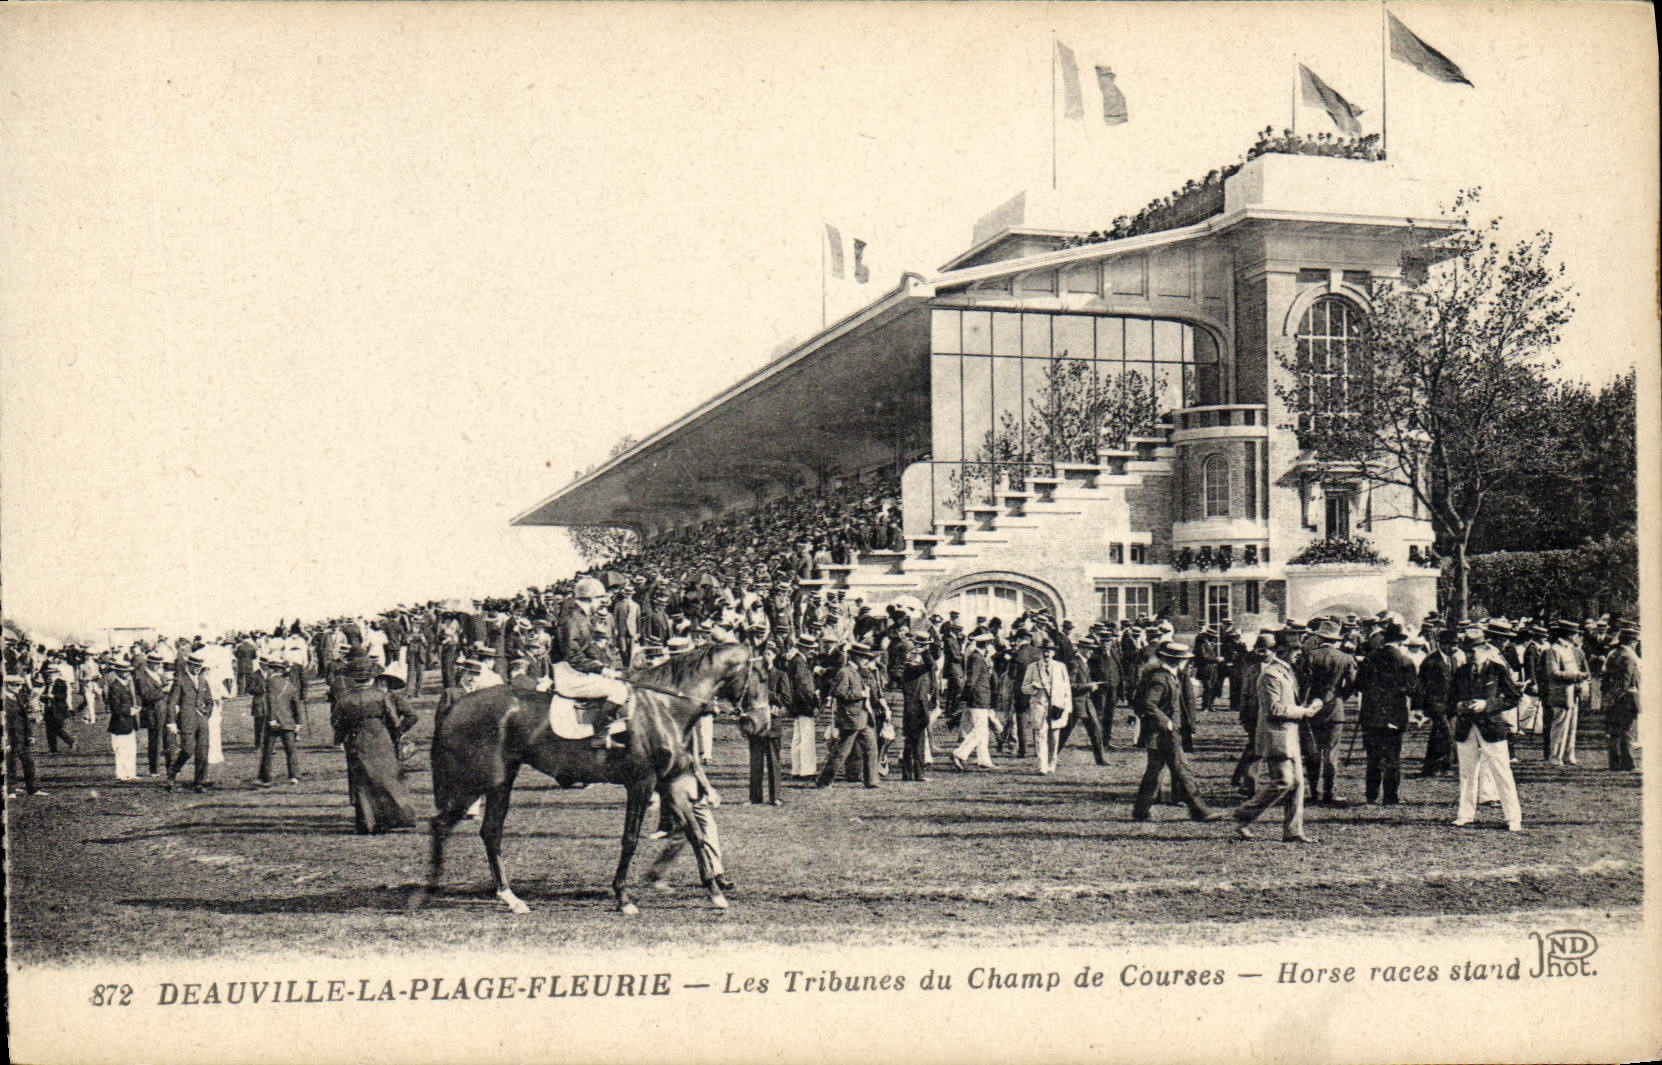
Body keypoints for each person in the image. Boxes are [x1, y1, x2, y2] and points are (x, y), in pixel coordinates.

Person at [1233, 632, 1319, 842]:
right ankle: (1242, 815)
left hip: (1289, 736)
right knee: (1283, 782)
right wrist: (1303, 711)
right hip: (1276, 737)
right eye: (1295, 650)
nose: (1299, 654)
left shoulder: (1286, 671)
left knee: (1297, 785)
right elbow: (1273, 709)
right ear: (1283, 651)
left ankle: (1293, 831)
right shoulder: (1271, 675)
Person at [1131, 642, 1225, 822]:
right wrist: (1165, 721)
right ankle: (1200, 810)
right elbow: (1149, 704)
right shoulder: (1161, 679)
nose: (1187, 663)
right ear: (1176, 661)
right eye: (1184, 660)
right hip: (1164, 734)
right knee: (1182, 770)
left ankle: (1141, 810)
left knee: (1154, 772)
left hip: (1162, 734)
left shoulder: (1168, 676)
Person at [330, 656, 417, 834]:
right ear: (372, 678)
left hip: (356, 740)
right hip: (381, 739)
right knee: (387, 779)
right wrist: (397, 733)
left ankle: (366, 823)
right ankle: (394, 818)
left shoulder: (344, 699)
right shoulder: (381, 696)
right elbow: (393, 720)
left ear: (352, 678)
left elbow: (338, 723)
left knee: (361, 782)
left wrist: (339, 740)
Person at [1450, 626, 1523, 832]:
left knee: (1501, 771)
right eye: (1467, 651)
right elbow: (1450, 698)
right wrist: (1459, 706)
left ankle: (1513, 818)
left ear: (1485, 648)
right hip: (1466, 727)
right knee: (1467, 773)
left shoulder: (1498, 670)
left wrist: (1487, 705)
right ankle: (1465, 814)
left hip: (1491, 727)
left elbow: (1513, 697)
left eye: (1474, 650)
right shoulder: (1460, 672)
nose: (1471, 655)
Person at [552, 577, 633, 750]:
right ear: (590, 598)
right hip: (568, 675)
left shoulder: (581, 616)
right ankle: (600, 735)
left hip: (574, 671)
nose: (602, 603)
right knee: (618, 690)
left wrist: (610, 668)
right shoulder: (573, 619)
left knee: (618, 683)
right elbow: (573, 656)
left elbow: (589, 648)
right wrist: (601, 669)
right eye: (599, 599)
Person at [647, 761, 735, 895]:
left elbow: (696, 766)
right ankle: (656, 874)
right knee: (681, 836)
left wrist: (707, 789)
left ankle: (716, 874)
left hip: (696, 794)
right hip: (679, 794)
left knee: (709, 832)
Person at [1298, 618, 1358, 806]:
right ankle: (1329, 791)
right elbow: (1353, 684)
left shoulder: (1310, 656)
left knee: (1313, 752)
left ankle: (1314, 790)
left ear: (1320, 637)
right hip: (1335, 709)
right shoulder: (1346, 658)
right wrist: (1340, 696)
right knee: (1331, 752)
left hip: (1312, 708)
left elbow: (1302, 683)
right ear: (1336, 639)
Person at [1357, 620, 1416, 805]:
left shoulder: (1369, 659)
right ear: (1401, 641)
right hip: (1395, 715)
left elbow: (1358, 684)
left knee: (1373, 757)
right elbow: (1413, 688)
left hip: (1371, 715)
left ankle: (1371, 795)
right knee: (1392, 757)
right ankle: (1390, 796)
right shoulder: (1405, 661)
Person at [815, 644, 878, 789]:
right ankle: (824, 781)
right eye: (864, 658)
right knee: (841, 753)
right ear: (856, 657)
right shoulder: (845, 672)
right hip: (851, 719)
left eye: (867, 658)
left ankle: (871, 781)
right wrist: (860, 695)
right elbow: (837, 693)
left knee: (871, 747)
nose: (866, 661)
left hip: (861, 717)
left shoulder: (857, 671)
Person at [164, 652, 216, 793]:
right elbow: (171, 703)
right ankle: (172, 773)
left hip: (202, 721)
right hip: (187, 720)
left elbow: (210, 700)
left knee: (203, 751)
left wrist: (206, 713)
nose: (198, 668)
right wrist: (172, 722)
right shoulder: (180, 680)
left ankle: (199, 782)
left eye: (200, 666)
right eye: (195, 665)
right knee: (188, 749)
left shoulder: (202, 680)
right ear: (189, 665)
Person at [254, 651, 305, 786]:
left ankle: (265, 777)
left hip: (274, 722)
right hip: (288, 722)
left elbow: (271, 702)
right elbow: (296, 705)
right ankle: (294, 775)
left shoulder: (270, 682)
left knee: (268, 750)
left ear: (272, 669)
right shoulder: (291, 685)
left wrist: (271, 719)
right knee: (290, 749)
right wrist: (298, 723)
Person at [1542, 620, 1589, 766]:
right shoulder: (1553, 650)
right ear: (1569, 634)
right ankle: (1555, 757)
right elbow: (1553, 672)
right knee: (1560, 726)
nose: (1577, 636)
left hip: (1572, 691)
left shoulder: (1569, 649)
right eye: (1575, 633)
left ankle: (1569, 755)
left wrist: (1579, 678)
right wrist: (1575, 676)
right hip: (1560, 692)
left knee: (1572, 726)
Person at [1022, 641, 1071, 775]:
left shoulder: (1060, 667)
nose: (1046, 653)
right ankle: (1042, 765)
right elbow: (1024, 688)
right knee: (1040, 735)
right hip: (1039, 706)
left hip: (1056, 707)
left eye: (1049, 651)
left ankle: (1051, 763)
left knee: (1054, 738)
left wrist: (1067, 707)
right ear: (1040, 652)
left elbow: (1066, 688)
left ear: (1054, 652)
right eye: (1044, 650)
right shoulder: (1033, 667)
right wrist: (1033, 686)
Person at [951, 632, 997, 770]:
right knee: (980, 730)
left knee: (983, 731)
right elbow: (971, 681)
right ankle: (959, 753)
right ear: (987, 644)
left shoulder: (978, 657)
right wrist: (965, 697)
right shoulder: (976, 658)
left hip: (979, 698)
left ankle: (984, 760)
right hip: (978, 698)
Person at [1601, 620, 1640, 772]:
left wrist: (1611, 697)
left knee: (1616, 731)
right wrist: (1619, 696)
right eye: (1635, 641)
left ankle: (1615, 763)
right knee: (1627, 731)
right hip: (1627, 697)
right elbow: (1626, 680)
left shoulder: (1614, 654)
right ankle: (1628, 764)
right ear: (1632, 641)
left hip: (1615, 696)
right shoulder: (1629, 656)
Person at [784, 636, 820, 779]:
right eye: (810, 648)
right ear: (803, 648)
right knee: (807, 737)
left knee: (797, 737)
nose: (812, 651)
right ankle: (807, 770)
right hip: (804, 704)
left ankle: (797, 769)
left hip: (797, 705)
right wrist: (813, 704)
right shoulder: (800, 663)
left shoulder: (796, 661)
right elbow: (804, 687)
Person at [4, 673, 45, 797]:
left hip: (22, 736)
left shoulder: (18, 697)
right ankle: (10, 790)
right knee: (10, 764)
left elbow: (25, 718)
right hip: (10, 738)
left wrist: (30, 735)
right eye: (16, 685)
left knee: (29, 762)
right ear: (7, 686)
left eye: (20, 685)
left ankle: (32, 789)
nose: (19, 687)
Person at [104, 659, 138, 781]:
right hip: (120, 722)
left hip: (127, 722)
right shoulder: (115, 687)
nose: (127, 673)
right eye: (124, 671)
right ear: (118, 672)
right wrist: (130, 711)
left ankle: (130, 772)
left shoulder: (125, 685)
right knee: (121, 749)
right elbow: (116, 707)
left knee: (130, 748)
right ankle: (122, 774)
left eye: (127, 671)